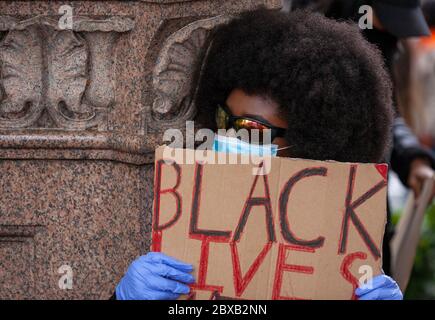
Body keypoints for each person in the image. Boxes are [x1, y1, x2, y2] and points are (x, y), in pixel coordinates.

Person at [115, 9, 402, 300]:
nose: (228, 136)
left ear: (309, 143)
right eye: (223, 119)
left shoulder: (342, 255)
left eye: (250, 128)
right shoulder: (183, 219)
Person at [325, 0, 435, 277]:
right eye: (387, 17)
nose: (393, 28)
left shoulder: (382, 43)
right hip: (320, 214)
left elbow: (387, 116)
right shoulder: (315, 43)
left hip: (366, 222)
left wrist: (413, 160)